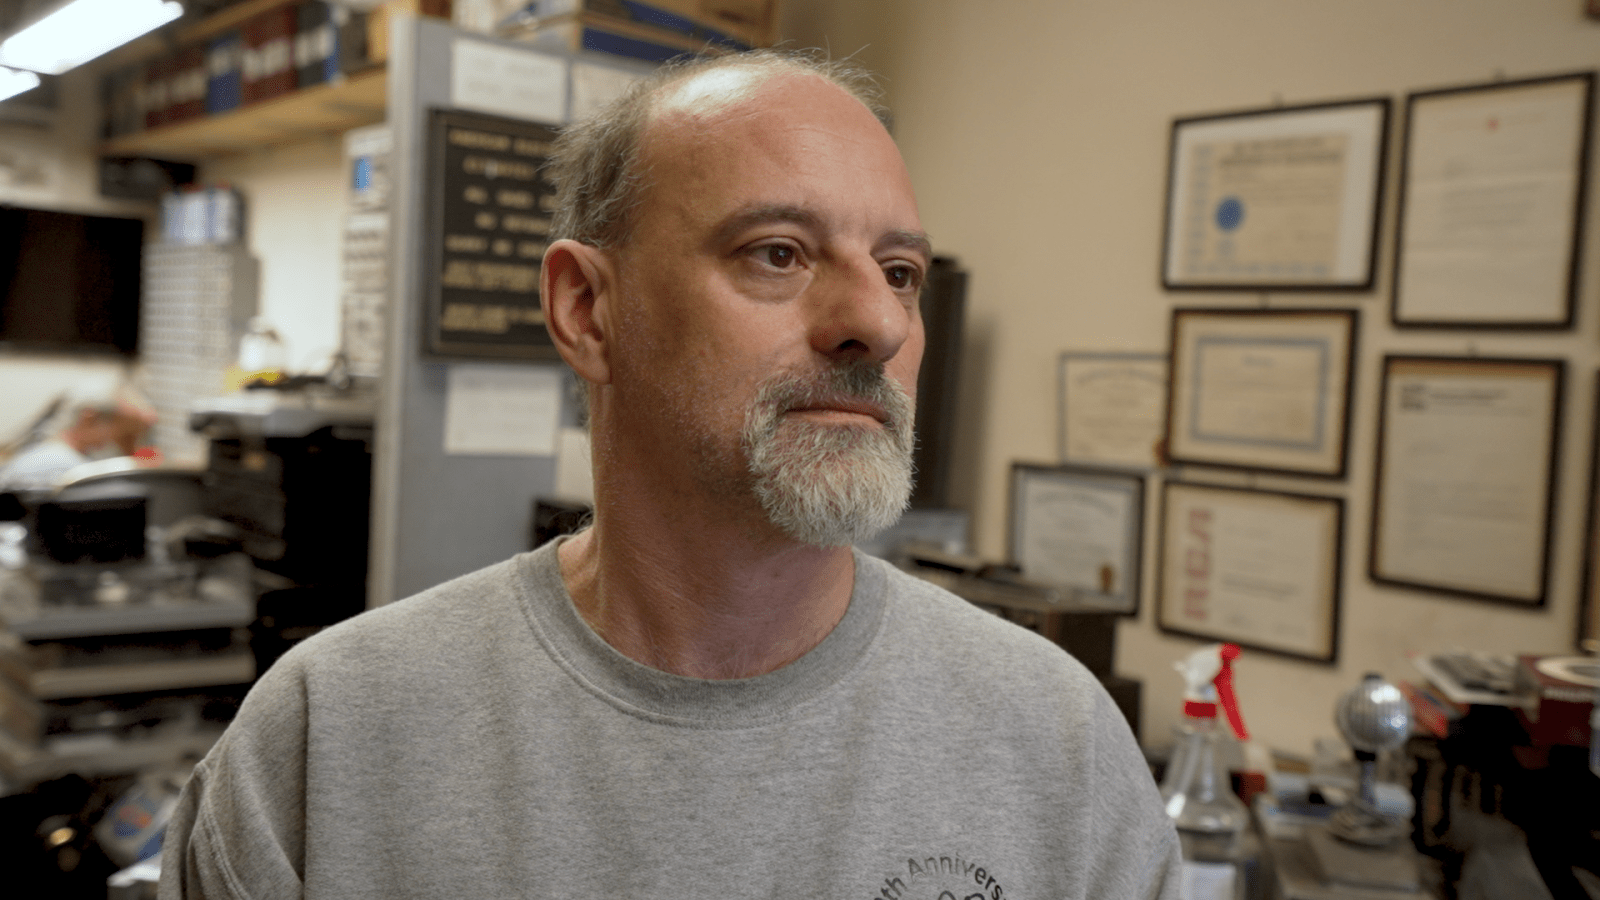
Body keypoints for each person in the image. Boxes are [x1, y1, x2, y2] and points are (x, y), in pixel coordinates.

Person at [159, 49, 1181, 898]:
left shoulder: (1055, 742)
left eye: (899, 272)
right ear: (587, 311)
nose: (874, 321)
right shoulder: (329, 743)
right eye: (776, 253)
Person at [0, 382, 158, 492]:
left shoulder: (66, 458)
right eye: (123, 432)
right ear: (89, 418)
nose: (118, 439)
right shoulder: (57, 464)